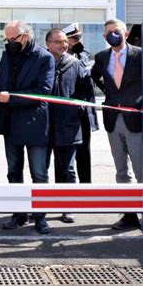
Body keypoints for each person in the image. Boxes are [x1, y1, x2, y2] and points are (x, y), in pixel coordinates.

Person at [0, 21, 55, 234]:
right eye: (6, 39)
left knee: (39, 173)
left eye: (12, 39)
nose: (8, 43)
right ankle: (19, 214)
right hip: (10, 124)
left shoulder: (44, 57)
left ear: (25, 37)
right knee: (14, 171)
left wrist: (11, 98)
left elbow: (43, 91)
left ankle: (40, 217)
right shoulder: (8, 55)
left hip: (34, 124)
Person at [91, 19, 143, 230]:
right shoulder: (102, 57)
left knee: (142, 171)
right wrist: (110, 95)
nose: (113, 34)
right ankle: (129, 214)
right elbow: (96, 77)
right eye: (109, 33)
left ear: (126, 34)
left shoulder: (140, 54)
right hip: (114, 118)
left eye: (116, 31)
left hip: (136, 118)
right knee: (122, 171)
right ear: (104, 37)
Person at [45, 28, 95, 223]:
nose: (63, 45)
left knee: (68, 168)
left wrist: (80, 110)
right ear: (48, 44)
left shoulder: (76, 64)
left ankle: (68, 206)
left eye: (65, 41)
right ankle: (43, 206)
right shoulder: (42, 63)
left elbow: (86, 92)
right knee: (41, 169)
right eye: (58, 42)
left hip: (69, 125)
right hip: (44, 125)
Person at [63, 23, 99, 189]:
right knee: (65, 155)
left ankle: (86, 188)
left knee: (84, 153)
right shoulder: (58, 56)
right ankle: (67, 190)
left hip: (83, 111)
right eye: (74, 38)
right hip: (65, 112)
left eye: (79, 38)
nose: (77, 41)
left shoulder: (84, 55)